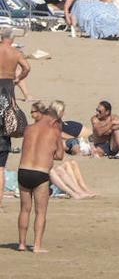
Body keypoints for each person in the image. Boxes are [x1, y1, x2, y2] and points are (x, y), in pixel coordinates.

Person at [16, 99, 64, 253]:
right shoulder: (55, 131)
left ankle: (22, 244)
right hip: (40, 173)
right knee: (40, 211)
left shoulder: (29, 129)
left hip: (23, 170)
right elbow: (60, 155)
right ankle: (36, 246)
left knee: (24, 209)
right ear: (54, 119)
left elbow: (27, 149)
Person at [0, 25, 31, 206]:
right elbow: (27, 67)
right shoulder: (15, 53)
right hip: (8, 91)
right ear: (11, 39)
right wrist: (18, 79)